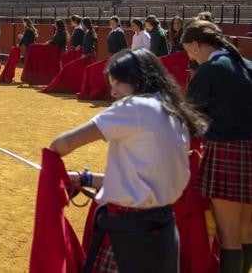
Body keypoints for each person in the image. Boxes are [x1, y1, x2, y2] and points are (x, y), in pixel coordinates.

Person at [50, 48, 207, 273]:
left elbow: (61, 144)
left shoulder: (133, 108)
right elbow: (140, 181)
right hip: (162, 231)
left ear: (137, 80)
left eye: (117, 83)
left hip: (127, 235)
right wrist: (85, 178)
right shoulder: (174, 110)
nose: (113, 92)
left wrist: (53, 160)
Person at [182, 19, 252, 273]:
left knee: (230, 233)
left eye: (189, 50)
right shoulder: (247, 65)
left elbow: (188, 116)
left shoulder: (210, 70)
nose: (190, 57)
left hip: (227, 152)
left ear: (197, 45)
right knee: (246, 231)